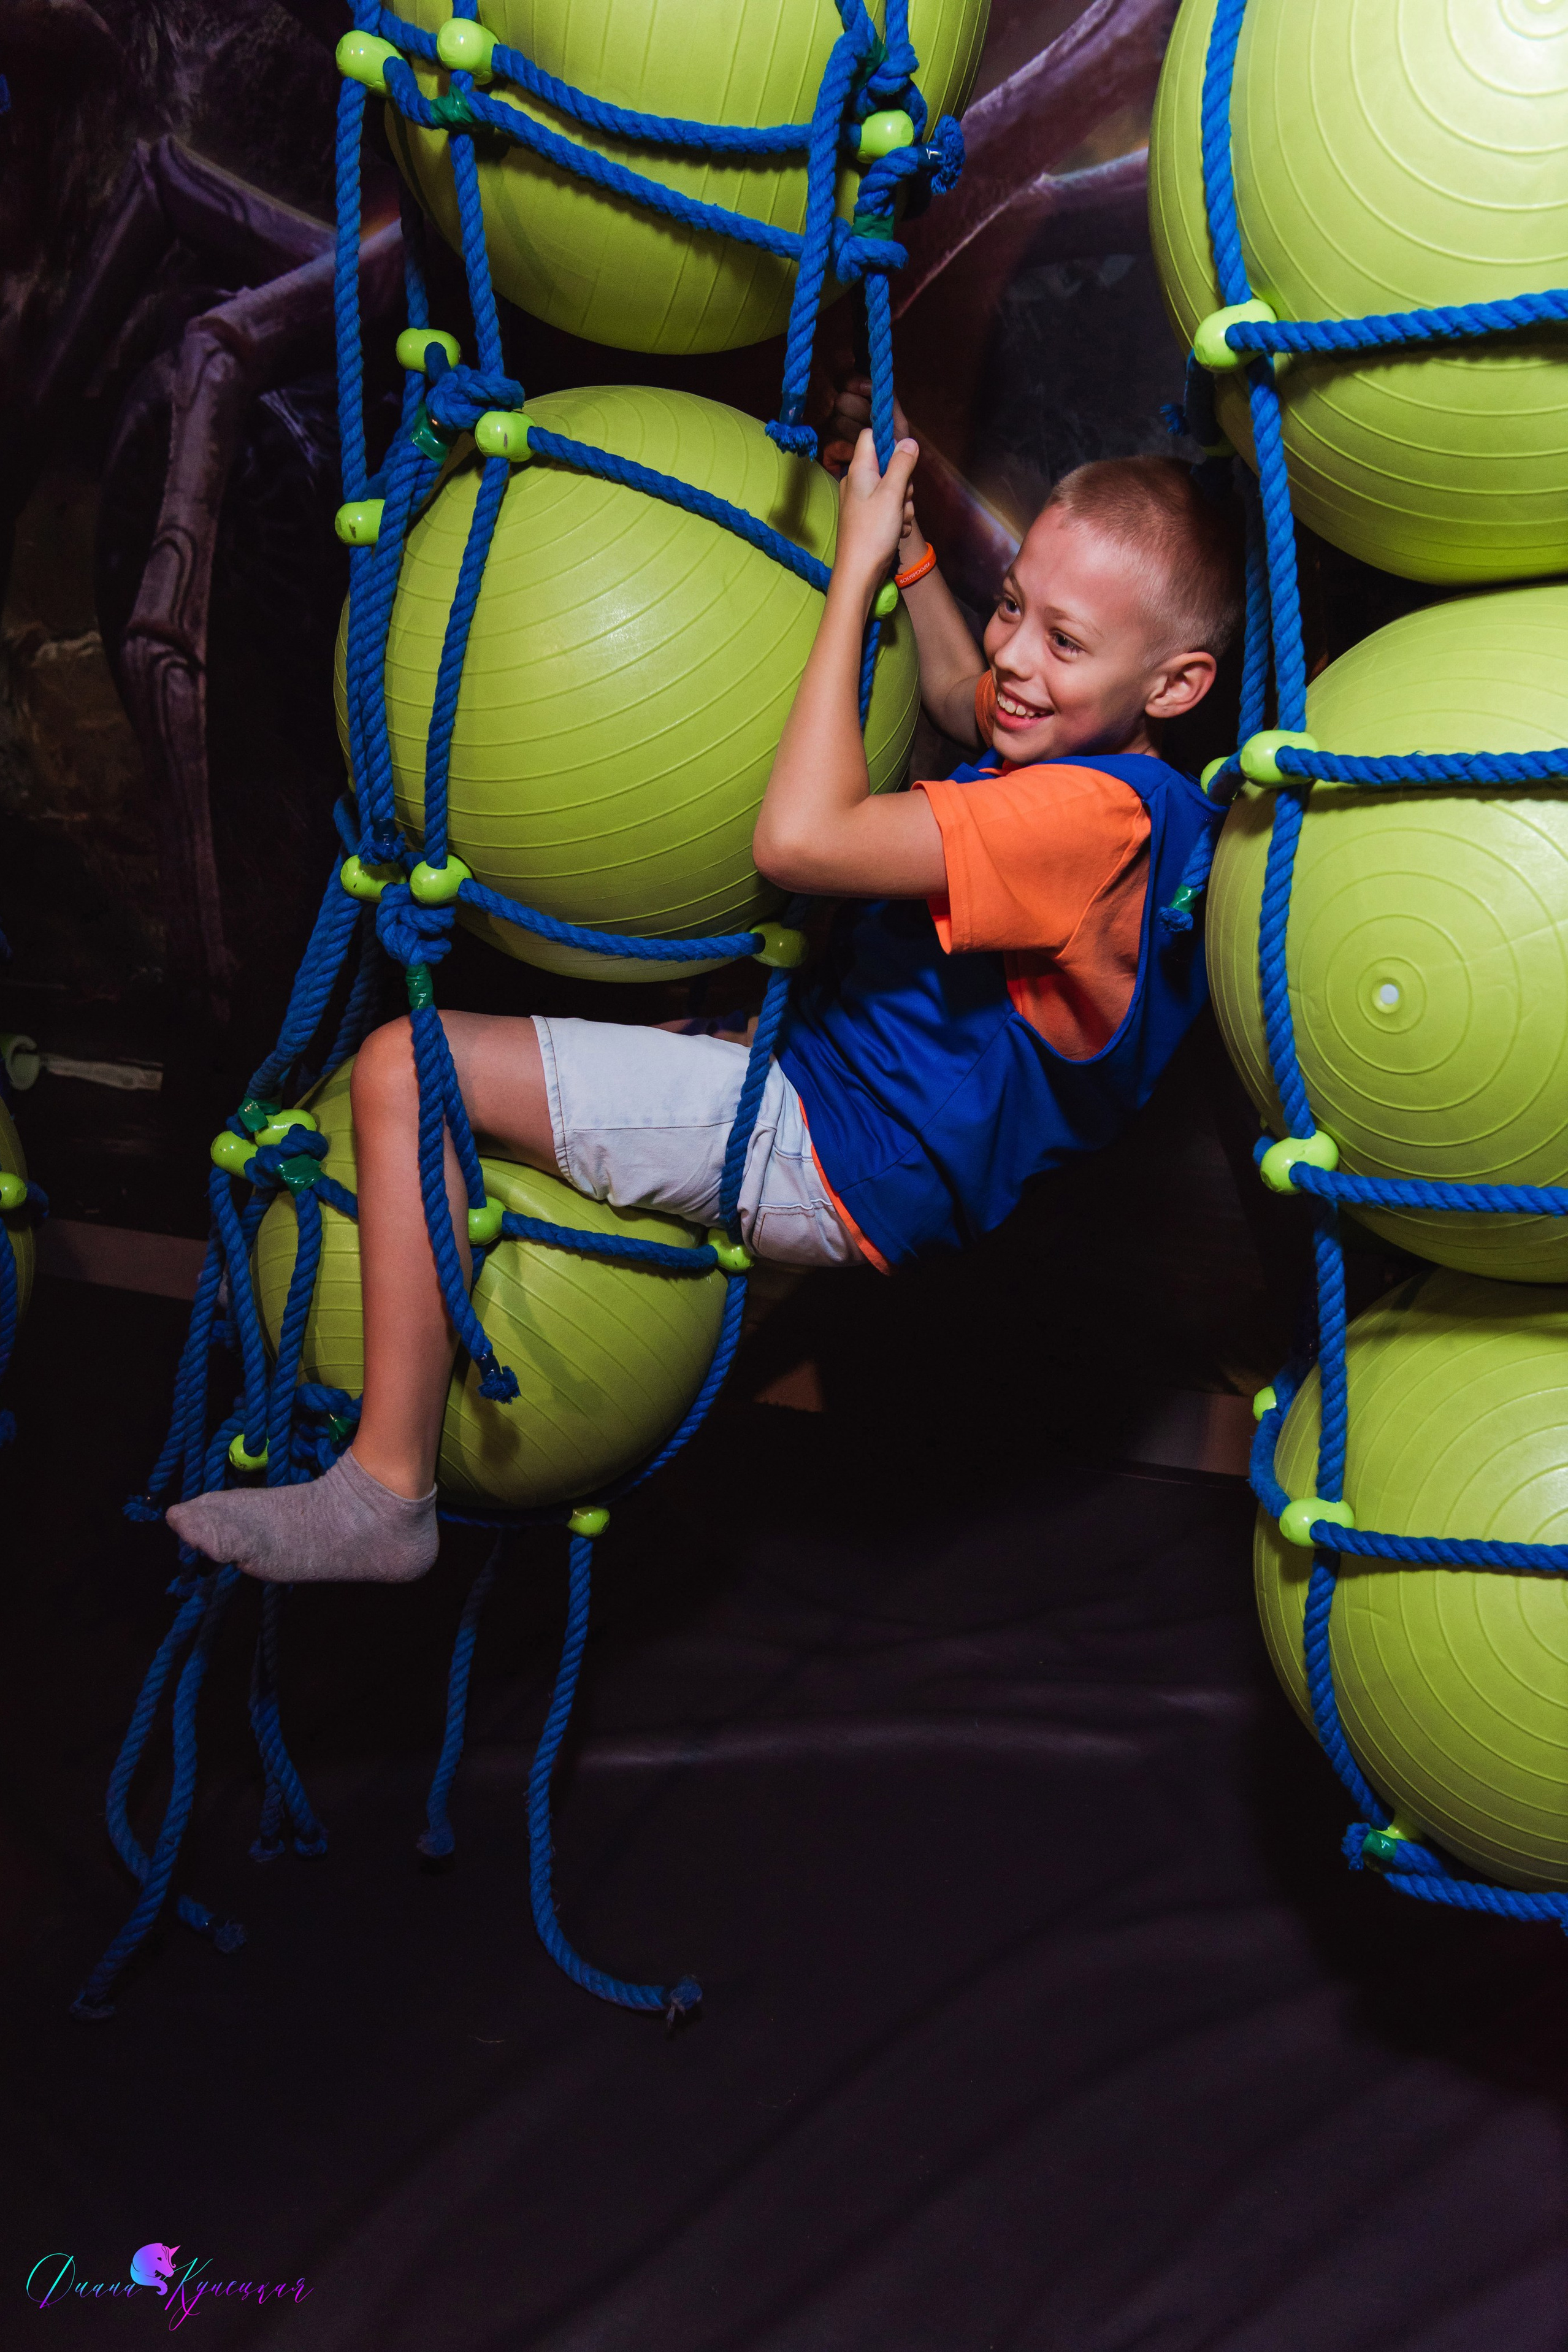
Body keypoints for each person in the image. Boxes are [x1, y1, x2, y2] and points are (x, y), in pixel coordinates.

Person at [167, 419, 1241, 1585]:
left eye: (1064, 641)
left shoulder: (1088, 824)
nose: (1015, 658)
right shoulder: (1146, 800)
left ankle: (386, 1491)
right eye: (1012, 607)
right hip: (846, 1113)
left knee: (406, 1069)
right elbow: (954, 693)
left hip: (828, 1149)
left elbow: (800, 840)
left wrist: (854, 580)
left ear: (1177, 684)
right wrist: (914, 553)